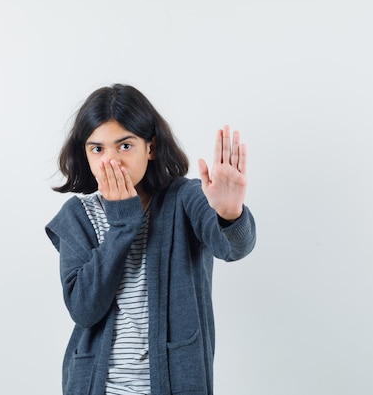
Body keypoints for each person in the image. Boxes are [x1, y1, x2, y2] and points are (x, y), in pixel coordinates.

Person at [45, 84, 256, 395]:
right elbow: (84, 310)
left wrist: (228, 212)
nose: (111, 161)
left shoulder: (185, 198)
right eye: (97, 149)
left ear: (151, 147)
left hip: (175, 383)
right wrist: (122, 223)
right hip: (95, 386)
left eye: (125, 146)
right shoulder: (77, 217)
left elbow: (233, 248)